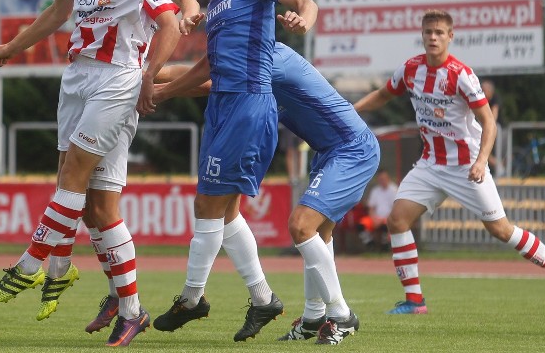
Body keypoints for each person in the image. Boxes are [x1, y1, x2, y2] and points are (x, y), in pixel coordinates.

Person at [0, 0, 203, 347]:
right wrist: (12, 47)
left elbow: (180, 1)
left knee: (76, 176)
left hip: (117, 80)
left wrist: (154, 68)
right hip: (77, 76)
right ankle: (129, 311)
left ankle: (32, 263)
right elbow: (58, 13)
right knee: (92, 204)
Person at [148, 0, 317, 342]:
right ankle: (263, 300)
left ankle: (192, 298)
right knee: (225, 212)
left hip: (247, 104)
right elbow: (207, 67)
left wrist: (302, 19)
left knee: (208, 204)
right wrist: (164, 91)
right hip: (222, 106)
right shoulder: (216, 0)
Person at [353, 9, 545, 316]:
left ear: (450, 37)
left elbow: (489, 123)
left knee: (501, 230)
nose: (432, 37)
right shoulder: (410, 69)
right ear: (422, 35)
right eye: (428, 32)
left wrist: (481, 161)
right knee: (397, 220)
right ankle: (415, 301)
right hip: (431, 164)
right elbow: (383, 95)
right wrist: (350, 111)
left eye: (439, 33)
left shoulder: (461, 74)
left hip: (466, 166)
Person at [150, 41, 378, 345]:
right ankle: (313, 317)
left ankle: (342, 316)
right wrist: (153, 72)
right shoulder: (253, 56)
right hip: (329, 151)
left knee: (301, 226)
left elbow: (207, 82)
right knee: (319, 235)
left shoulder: (270, 57)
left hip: (352, 150)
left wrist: (156, 81)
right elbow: (206, 78)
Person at [365, 169, 397, 251]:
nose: (382, 181)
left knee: (384, 226)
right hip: (375, 218)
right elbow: (371, 208)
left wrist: (383, 219)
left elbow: (396, 209)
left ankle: (384, 247)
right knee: (361, 225)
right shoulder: (375, 190)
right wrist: (373, 219)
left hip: (388, 218)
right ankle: (370, 245)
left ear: (388, 178)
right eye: (380, 179)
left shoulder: (394, 189)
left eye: (384, 178)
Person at [481, 79, 504, 174]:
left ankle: (500, 170)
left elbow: (493, 118)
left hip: (496, 128)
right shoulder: (479, 98)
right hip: (485, 127)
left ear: (490, 92)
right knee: (482, 150)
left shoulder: (495, 99)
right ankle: (498, 167)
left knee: (487, 149)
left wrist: (486, 128)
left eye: (484, 91)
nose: (482, 93)